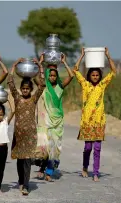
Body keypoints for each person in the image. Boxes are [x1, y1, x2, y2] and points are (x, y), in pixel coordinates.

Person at [73, 47, 116, 182]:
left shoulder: (102, 85)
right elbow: (75, 70)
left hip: (99, 122)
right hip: (87, 122)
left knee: (97, 148)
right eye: (93, 75)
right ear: (89, 76)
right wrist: (82, 56)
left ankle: (96, 172)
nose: (95, 77)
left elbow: (113, 71)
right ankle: (85, 167)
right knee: (87, 148)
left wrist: (108, 56)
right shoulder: (85, 85)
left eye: (97, 75)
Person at [7, 58, 45, 195]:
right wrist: (14, 66)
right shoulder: (17, 98)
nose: (24, 91)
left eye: (27, 89)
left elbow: (42, 86)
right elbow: (10, 83)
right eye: (23, 88)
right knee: (20, 159)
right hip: (19, 135)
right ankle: (21, 180)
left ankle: (26, 185)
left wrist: (40, 67)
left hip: (30, 134)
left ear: (30, 89)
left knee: (27, 159)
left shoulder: (34, 99)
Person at [35, 53, 74, 182]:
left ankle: (49, 172)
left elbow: (71, 76)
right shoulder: (44, 87)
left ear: (57, 77)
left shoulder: (60, 87)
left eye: (54, 75)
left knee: (55, 148)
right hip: (46, 121)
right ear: (47, 76)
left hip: (58, 122)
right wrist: (40, 64)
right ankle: (43, 169)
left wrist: (64, 62)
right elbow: (36, 79)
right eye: (50, 75)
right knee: (46, 147)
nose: (52, 77)